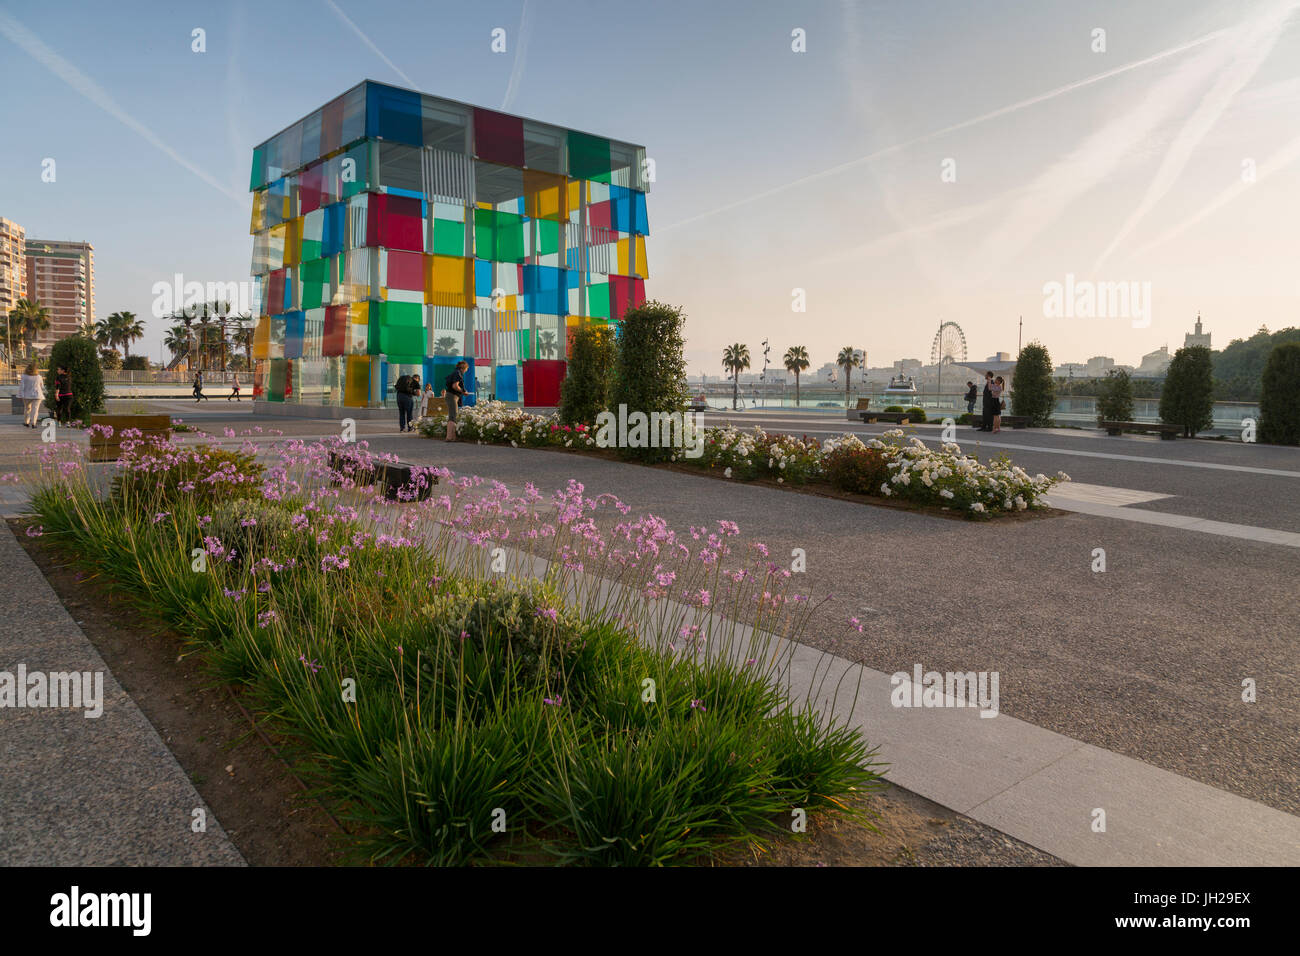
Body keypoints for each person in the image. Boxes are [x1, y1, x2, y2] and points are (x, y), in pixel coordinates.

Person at [444, 360, 469, 441]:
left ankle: (452, 436)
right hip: (452, 396)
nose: (466, 371)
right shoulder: (458, 373)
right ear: (463, 368)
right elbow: (455, 386)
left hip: (450, 395)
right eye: (466, 369)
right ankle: (449, 437)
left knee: (452, 415)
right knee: (453, 416)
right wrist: (463, 391)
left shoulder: (455, 372)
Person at [18, 363, 43, 428]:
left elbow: (22, 386)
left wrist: (20, 395)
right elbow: (41, 386)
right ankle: (33, 423)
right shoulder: (39, 377)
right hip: (37, 395)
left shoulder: (24, 376)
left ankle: (26, 422)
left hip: (27, 395)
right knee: (35, 409)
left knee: (27, 408)